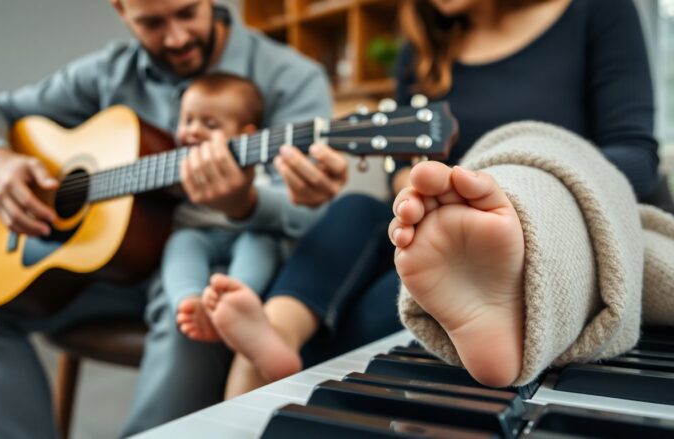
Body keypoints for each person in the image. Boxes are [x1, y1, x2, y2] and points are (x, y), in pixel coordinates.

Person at [181, 0, 674, 397]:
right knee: (355, 208)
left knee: (386, 306)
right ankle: (276, 333)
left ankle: (277, 368)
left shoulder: (600, 10)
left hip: (537, 212)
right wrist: (421, 189)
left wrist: (516, 186)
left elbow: (634, 155)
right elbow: (399, 165)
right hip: (448, 225)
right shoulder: (420, 45)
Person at [0, 1, 348, 437]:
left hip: (221, 265)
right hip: (110, 268)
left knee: (194, 311)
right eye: (153, 23)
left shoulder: (290, 76)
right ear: (120, 9)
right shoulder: (106, 72)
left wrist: (242, 202)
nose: (176, 37)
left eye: (187, 13)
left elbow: (313, 217)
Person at [165, 72, 282, 340]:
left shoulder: (255, 168)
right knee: (180, 244)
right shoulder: (181, 163)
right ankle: (188, 301)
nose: (193, 130)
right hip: (199, 232)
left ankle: (236, 301)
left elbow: (269, 204)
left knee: (261, 243)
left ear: (245, 135)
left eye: (209, 123)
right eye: (188, 120)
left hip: (246, 232)